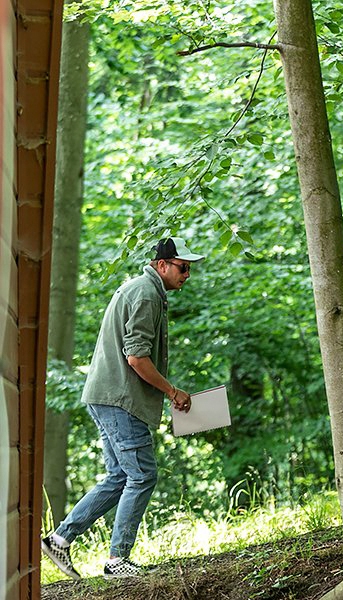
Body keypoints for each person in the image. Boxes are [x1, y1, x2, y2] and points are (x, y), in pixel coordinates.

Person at [41, 237, 205, 580]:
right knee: (143, 475)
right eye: (182, 267)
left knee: (120, 477)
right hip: (119, 398)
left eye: (189, 268)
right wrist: (172, 391)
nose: (187, 275)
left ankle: (59, 539)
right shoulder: (146, 294)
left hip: (106, 396)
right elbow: (136, 358)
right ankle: (117, 560)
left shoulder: (144, 290)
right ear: (162, 265)